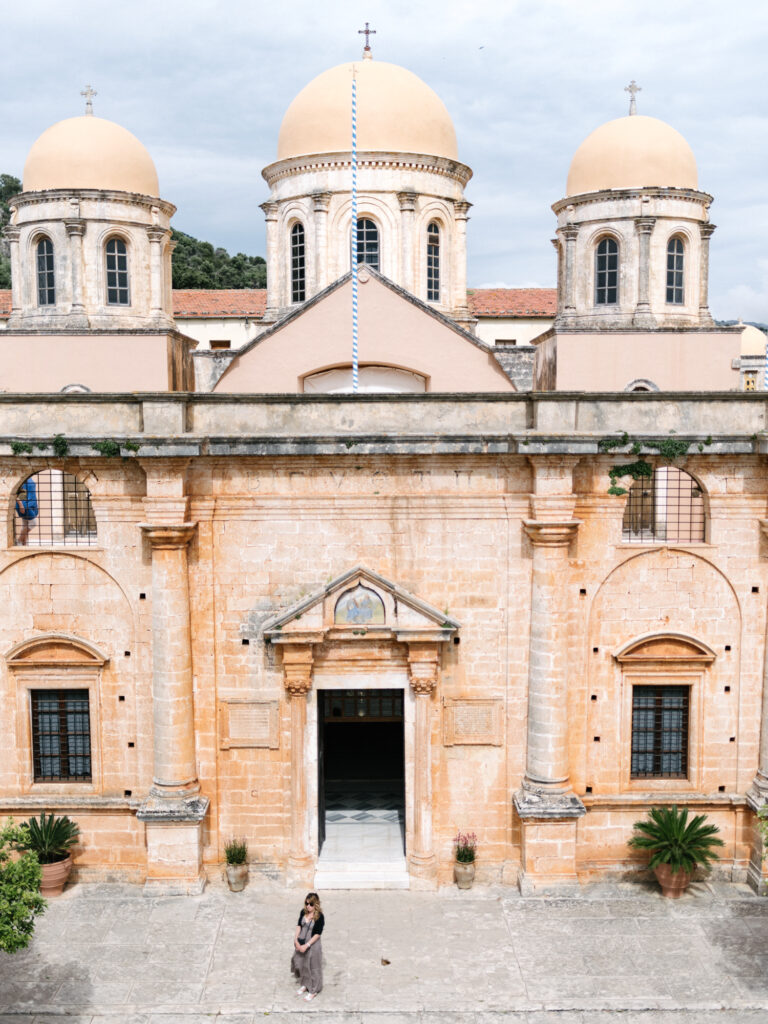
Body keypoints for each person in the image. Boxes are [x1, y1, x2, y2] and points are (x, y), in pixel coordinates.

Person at [291, 891, 324, 1001]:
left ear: (316, 904)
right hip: (301, 942)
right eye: (306, 903)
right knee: (301, 964)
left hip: (313, 945)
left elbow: (317, 934)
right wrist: (296, 939)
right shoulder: (303, 912)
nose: (308, 906)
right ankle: (305, 984)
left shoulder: (319, 916)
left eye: (310, 904)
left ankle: (314, 990)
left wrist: (307, 945)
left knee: (313, 967)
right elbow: (299, 926)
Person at [15, 478, 38, 546]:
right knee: (33, 523)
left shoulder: (29, 477)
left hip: (31, 503)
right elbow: (16, 494)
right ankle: (19, 540)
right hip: (25, 504)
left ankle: (24, 544)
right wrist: (21, 505)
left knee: (25, 524)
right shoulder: (21, 480)